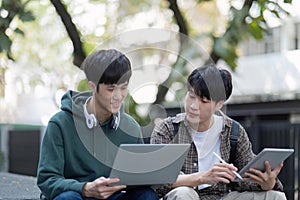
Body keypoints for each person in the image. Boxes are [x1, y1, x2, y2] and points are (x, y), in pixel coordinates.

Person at [37, 49, 159, 200]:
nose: (118, 96)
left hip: (114, 196)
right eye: (111, 89)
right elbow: (47, 180)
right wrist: (84, 188)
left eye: (123, 87)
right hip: (78, 196)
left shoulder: (130, 126)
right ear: (93, 86)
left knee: (147, 196)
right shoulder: (60, 124)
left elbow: (140, 177)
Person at [150, 65, 286, 200]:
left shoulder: (233, 132)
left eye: (203, 101)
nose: (193, 106)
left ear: (219, 104)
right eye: (191, 96)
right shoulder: (167, 129)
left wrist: (267, 183)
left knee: (275, 196)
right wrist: (203, 177)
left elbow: (246, 179)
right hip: (184, 196)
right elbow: (159, 181)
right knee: (184, 193)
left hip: (222, 197)